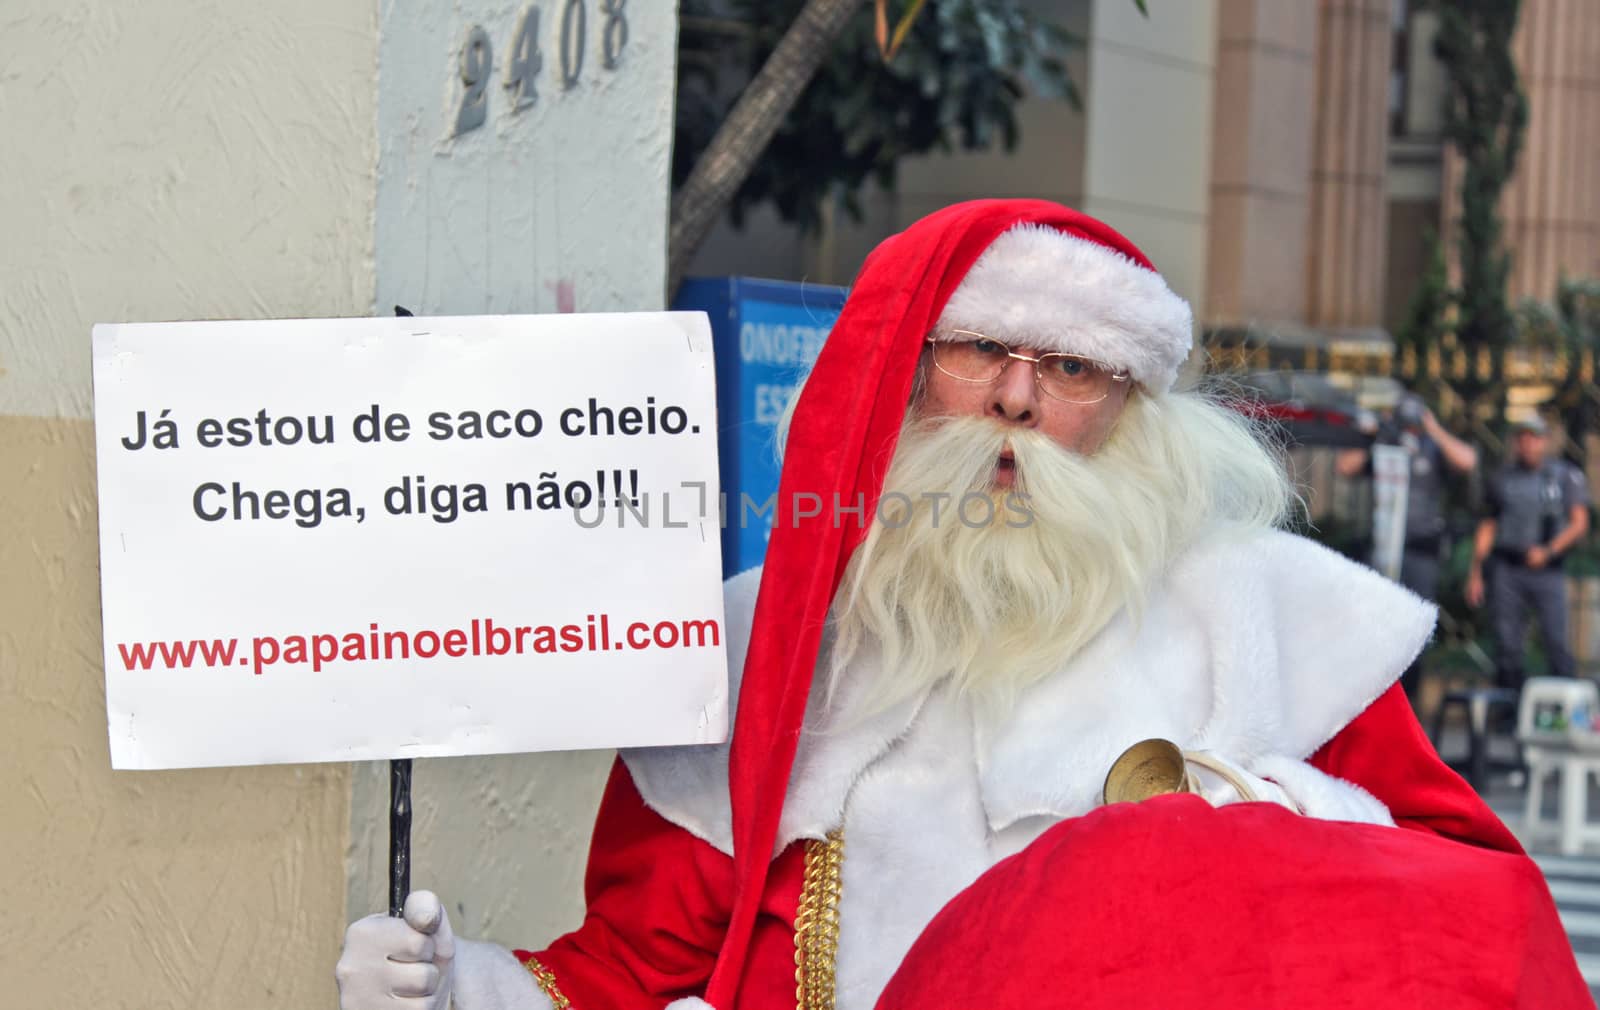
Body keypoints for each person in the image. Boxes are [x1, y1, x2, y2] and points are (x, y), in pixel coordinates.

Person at [335, 201, 1589, 1010]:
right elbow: (635, 964)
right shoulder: (772, 640)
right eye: (978, 348)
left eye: (1074, 368)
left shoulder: (1266, 616)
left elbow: (1460, 911)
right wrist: (458, 989)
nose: (1017, 398)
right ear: (904, 370)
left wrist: (1245, 823)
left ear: (1133, 408)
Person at [1336, 390, 1478, 698]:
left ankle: (1410, 698)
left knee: (1415, 626)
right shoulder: (1385, 446)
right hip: (1385, 551)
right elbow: (1344, 467)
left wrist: (1434, 429)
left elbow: (1468, 461)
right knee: (1377, 625)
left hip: (1421, 550)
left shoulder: (1432, 447)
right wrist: (1380, 434)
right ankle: (1374, 697)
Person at [1466, 415, 1591, 689]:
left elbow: (1579, 523)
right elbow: (1488, 525)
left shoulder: (1563, 476)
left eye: (1533, 437)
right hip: (1508, 566)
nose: (1527, 444)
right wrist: (1476, 572)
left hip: (1548, 568)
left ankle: (1563, 706)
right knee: (1507, 641)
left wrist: (1548, 551)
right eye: (1522, 438)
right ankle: (1509, 706)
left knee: (1555, 639)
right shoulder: (1502, 478)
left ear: (1544, 441)